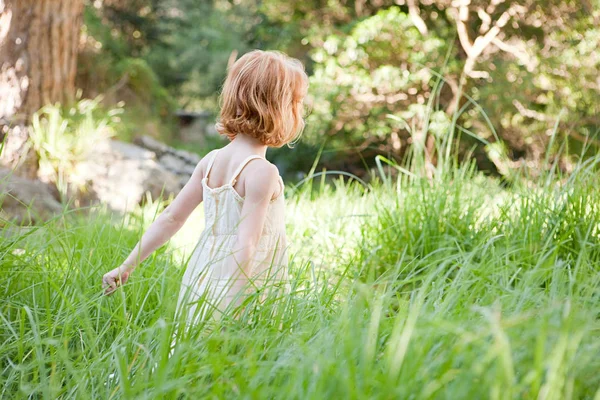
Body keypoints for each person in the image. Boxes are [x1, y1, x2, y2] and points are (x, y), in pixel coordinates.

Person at [101, 49, 308, 327]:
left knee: (194, 348)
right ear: (279, 108)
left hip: (202, 277)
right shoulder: (262, 172)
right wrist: (235, 303)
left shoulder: (210, 161)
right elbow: (246, 243)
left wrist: (127, 265)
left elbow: (171, 217)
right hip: (243, 283)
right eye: (296, 103)